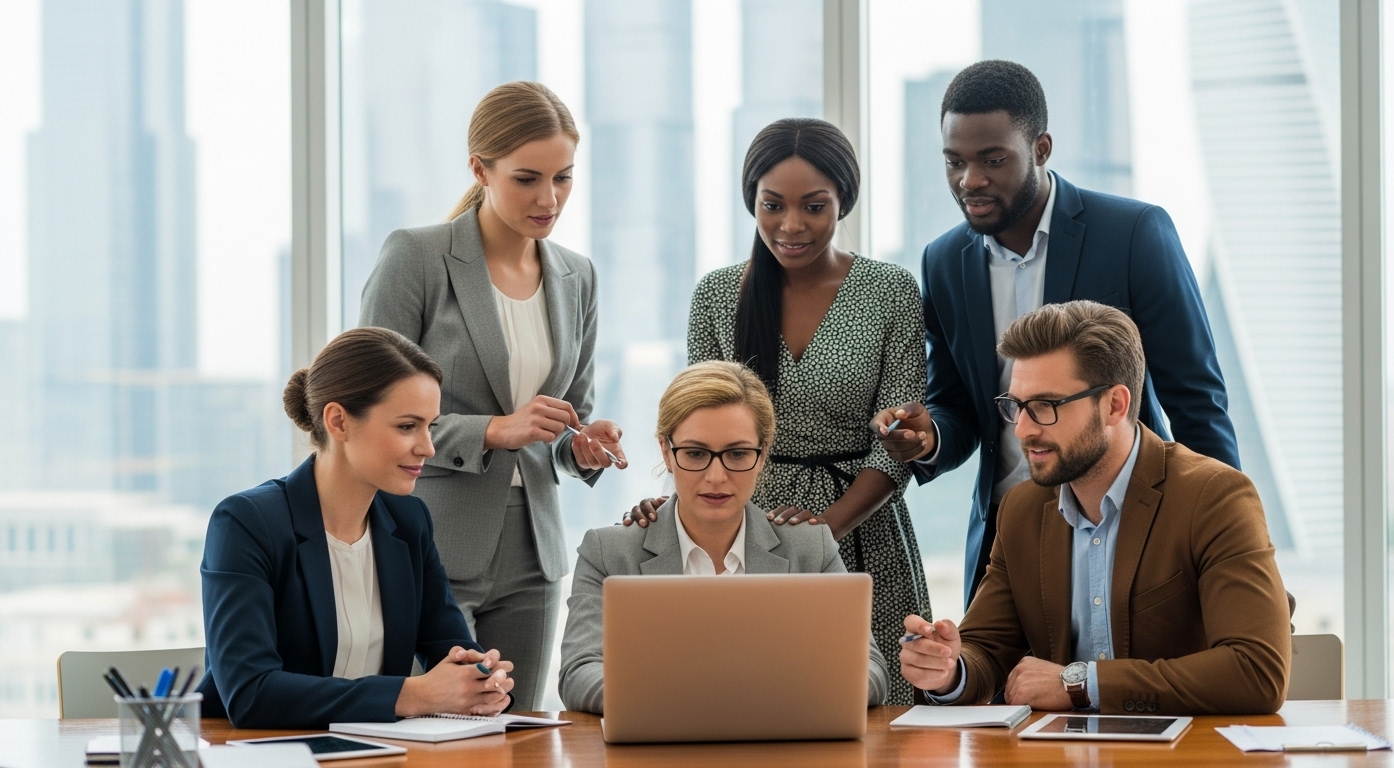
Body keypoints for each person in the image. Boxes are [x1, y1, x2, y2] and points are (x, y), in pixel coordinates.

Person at [874, 60, 1239, 607]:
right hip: (1008, 540)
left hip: (1127, 524)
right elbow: (958, 405)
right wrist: (930, 437)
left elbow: (1197, 401)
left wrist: (1232, 544)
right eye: (955, 161)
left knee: (1124, 691)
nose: (970, 180)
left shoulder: (1133, 234)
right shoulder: (945, 261)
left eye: (992, 160)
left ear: (1041, 148)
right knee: (999, 689)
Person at [624, 118, 929, 704]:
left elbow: (896, 450)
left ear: (844, 202)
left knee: (874, 710)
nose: (791, 226)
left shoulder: (890, 291)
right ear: (751, 203)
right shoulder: (716, 295)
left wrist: (826, 531)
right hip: (741, 532)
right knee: (740, 701)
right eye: (772, 206)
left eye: (815, 207)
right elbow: (699, 426)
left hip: (863, 532)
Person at [359, 81, 624, 709]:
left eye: (563, 178)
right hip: (430, 539)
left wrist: (581, 448)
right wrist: (492, 429)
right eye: (527, 179)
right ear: (480, 169)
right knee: (440, 739)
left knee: (522, 734)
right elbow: (370, 409)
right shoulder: (418, 257)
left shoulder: (577, 275)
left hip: (534, 551)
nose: (549, 198)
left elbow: (563, 423)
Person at [899, 301, 1290, 715]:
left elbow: (1257, 670)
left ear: (1114, 406)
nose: (1024, 429)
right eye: (1015, 406)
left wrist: (1081, 682)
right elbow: (986, 650)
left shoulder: (1214, 497)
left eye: (1045, 406)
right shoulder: (1022, 509)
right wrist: (948, 670)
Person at [198, 328, 515, 729]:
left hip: (381, 752)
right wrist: (412, 693)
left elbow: (449, 649)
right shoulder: (246, 523)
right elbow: (250, 692)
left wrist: (483, 681)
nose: (428, 448)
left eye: (430, 426)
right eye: (406, 426)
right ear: (338, 422)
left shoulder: (409, 522)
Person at [560, 361, 888, 713]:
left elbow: (871, 670)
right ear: (666, 453)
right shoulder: (608, 552)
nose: (716, 477)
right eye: (696, 454)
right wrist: (670, 704)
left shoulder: (809, 548)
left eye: (737, 454)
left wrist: (779, 698)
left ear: (762, 454)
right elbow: (579, 671)